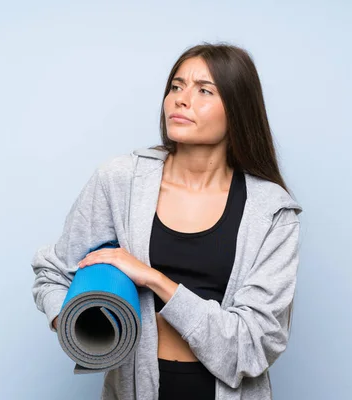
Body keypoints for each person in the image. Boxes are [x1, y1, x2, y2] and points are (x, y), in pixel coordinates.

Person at [31, 42, 303, 400]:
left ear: (238, 109)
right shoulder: (121, 181)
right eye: (176, 86)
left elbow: (251, 347)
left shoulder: (272, 213)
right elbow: (52, 273)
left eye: (204, 90)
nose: (181, 99)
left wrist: (157, 281)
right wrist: (75, 325)